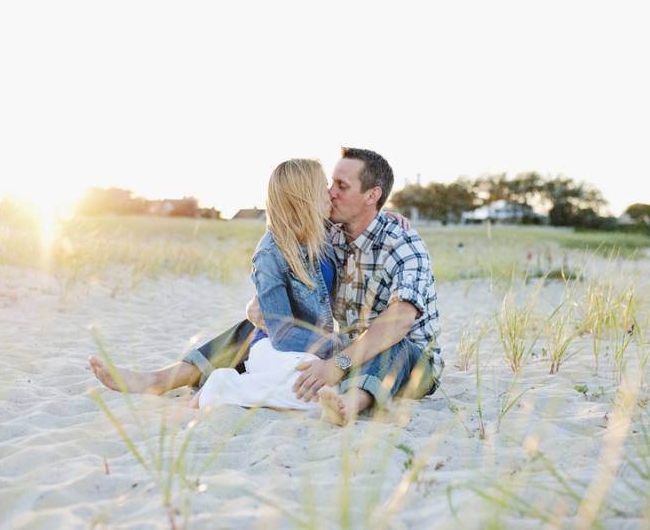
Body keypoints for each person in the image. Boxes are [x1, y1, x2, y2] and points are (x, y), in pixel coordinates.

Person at [89, 147, 442, 425]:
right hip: (339, 346)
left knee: (391, 344)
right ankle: (163, 379)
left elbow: (399, 321)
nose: (330, 193)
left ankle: (350, 404)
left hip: (409, 357)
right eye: (329, 183)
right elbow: (287, 258)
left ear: (372, 196)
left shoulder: (402, 244)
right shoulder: (330, 231)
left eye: (341, 186)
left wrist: (339, 362)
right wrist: (258, 308)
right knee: (252, 327)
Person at [190, 158, 340, 410]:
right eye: (323, 187)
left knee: (327, 381)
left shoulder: (324, 235)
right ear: (306, 195)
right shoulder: (270, 254)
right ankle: (224, 386)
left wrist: (389, 218)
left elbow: (364, 222)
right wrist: (340, 346)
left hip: (314, 350)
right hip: (273, 349)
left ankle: (244, 385)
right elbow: (282, 335)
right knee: (315, 390)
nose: (331, 194)